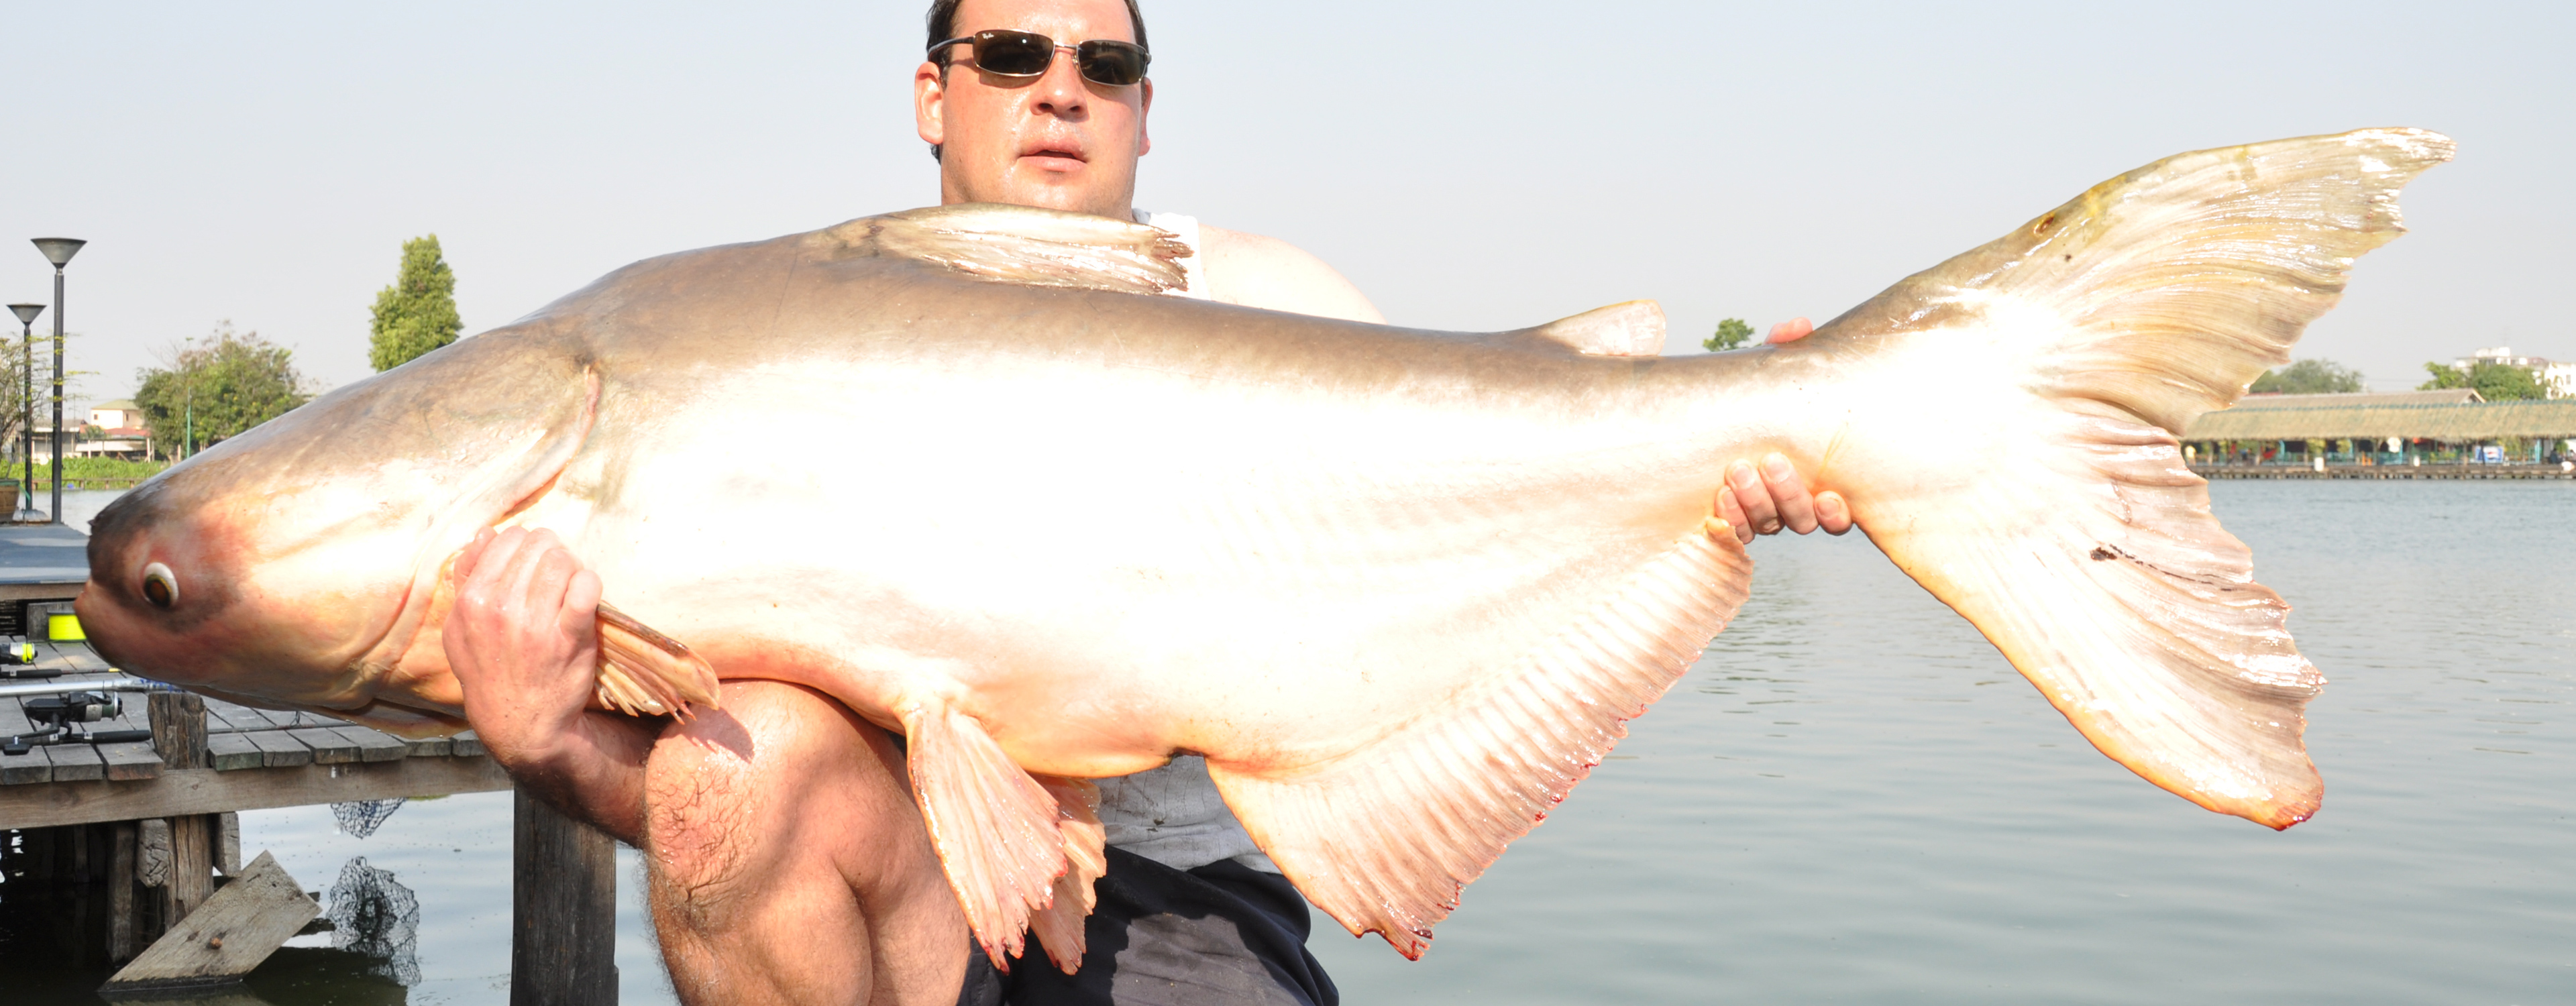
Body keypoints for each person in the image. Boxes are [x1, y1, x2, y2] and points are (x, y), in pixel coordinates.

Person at [443, 2, 1851, 1003]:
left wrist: (1726, 453)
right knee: (718, 773)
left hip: (1180, 896)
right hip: (904, 880)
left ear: (1143, 110)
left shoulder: (1282, 305)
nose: (1058, 88)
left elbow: (1504, 475)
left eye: (1101, 63)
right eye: (1009, 54)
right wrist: (550, 740)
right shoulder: (774, 341)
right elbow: (730, 823)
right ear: (933, 94)